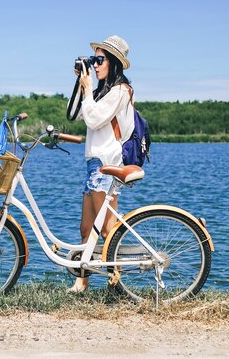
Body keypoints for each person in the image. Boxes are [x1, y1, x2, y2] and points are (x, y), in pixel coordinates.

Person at [68, 35, 135, 292]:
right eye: (93, 60)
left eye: (100, 60)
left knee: (106, 229)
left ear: (114, 63)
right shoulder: (100, 91)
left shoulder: (120, 92)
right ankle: (81, 283)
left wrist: (87, 89)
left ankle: (116, 284)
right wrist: (80, 83)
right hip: (94, 163)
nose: (95, 65)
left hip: (106, 163)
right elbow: (75, 113)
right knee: (87, 228)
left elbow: (94, 120)